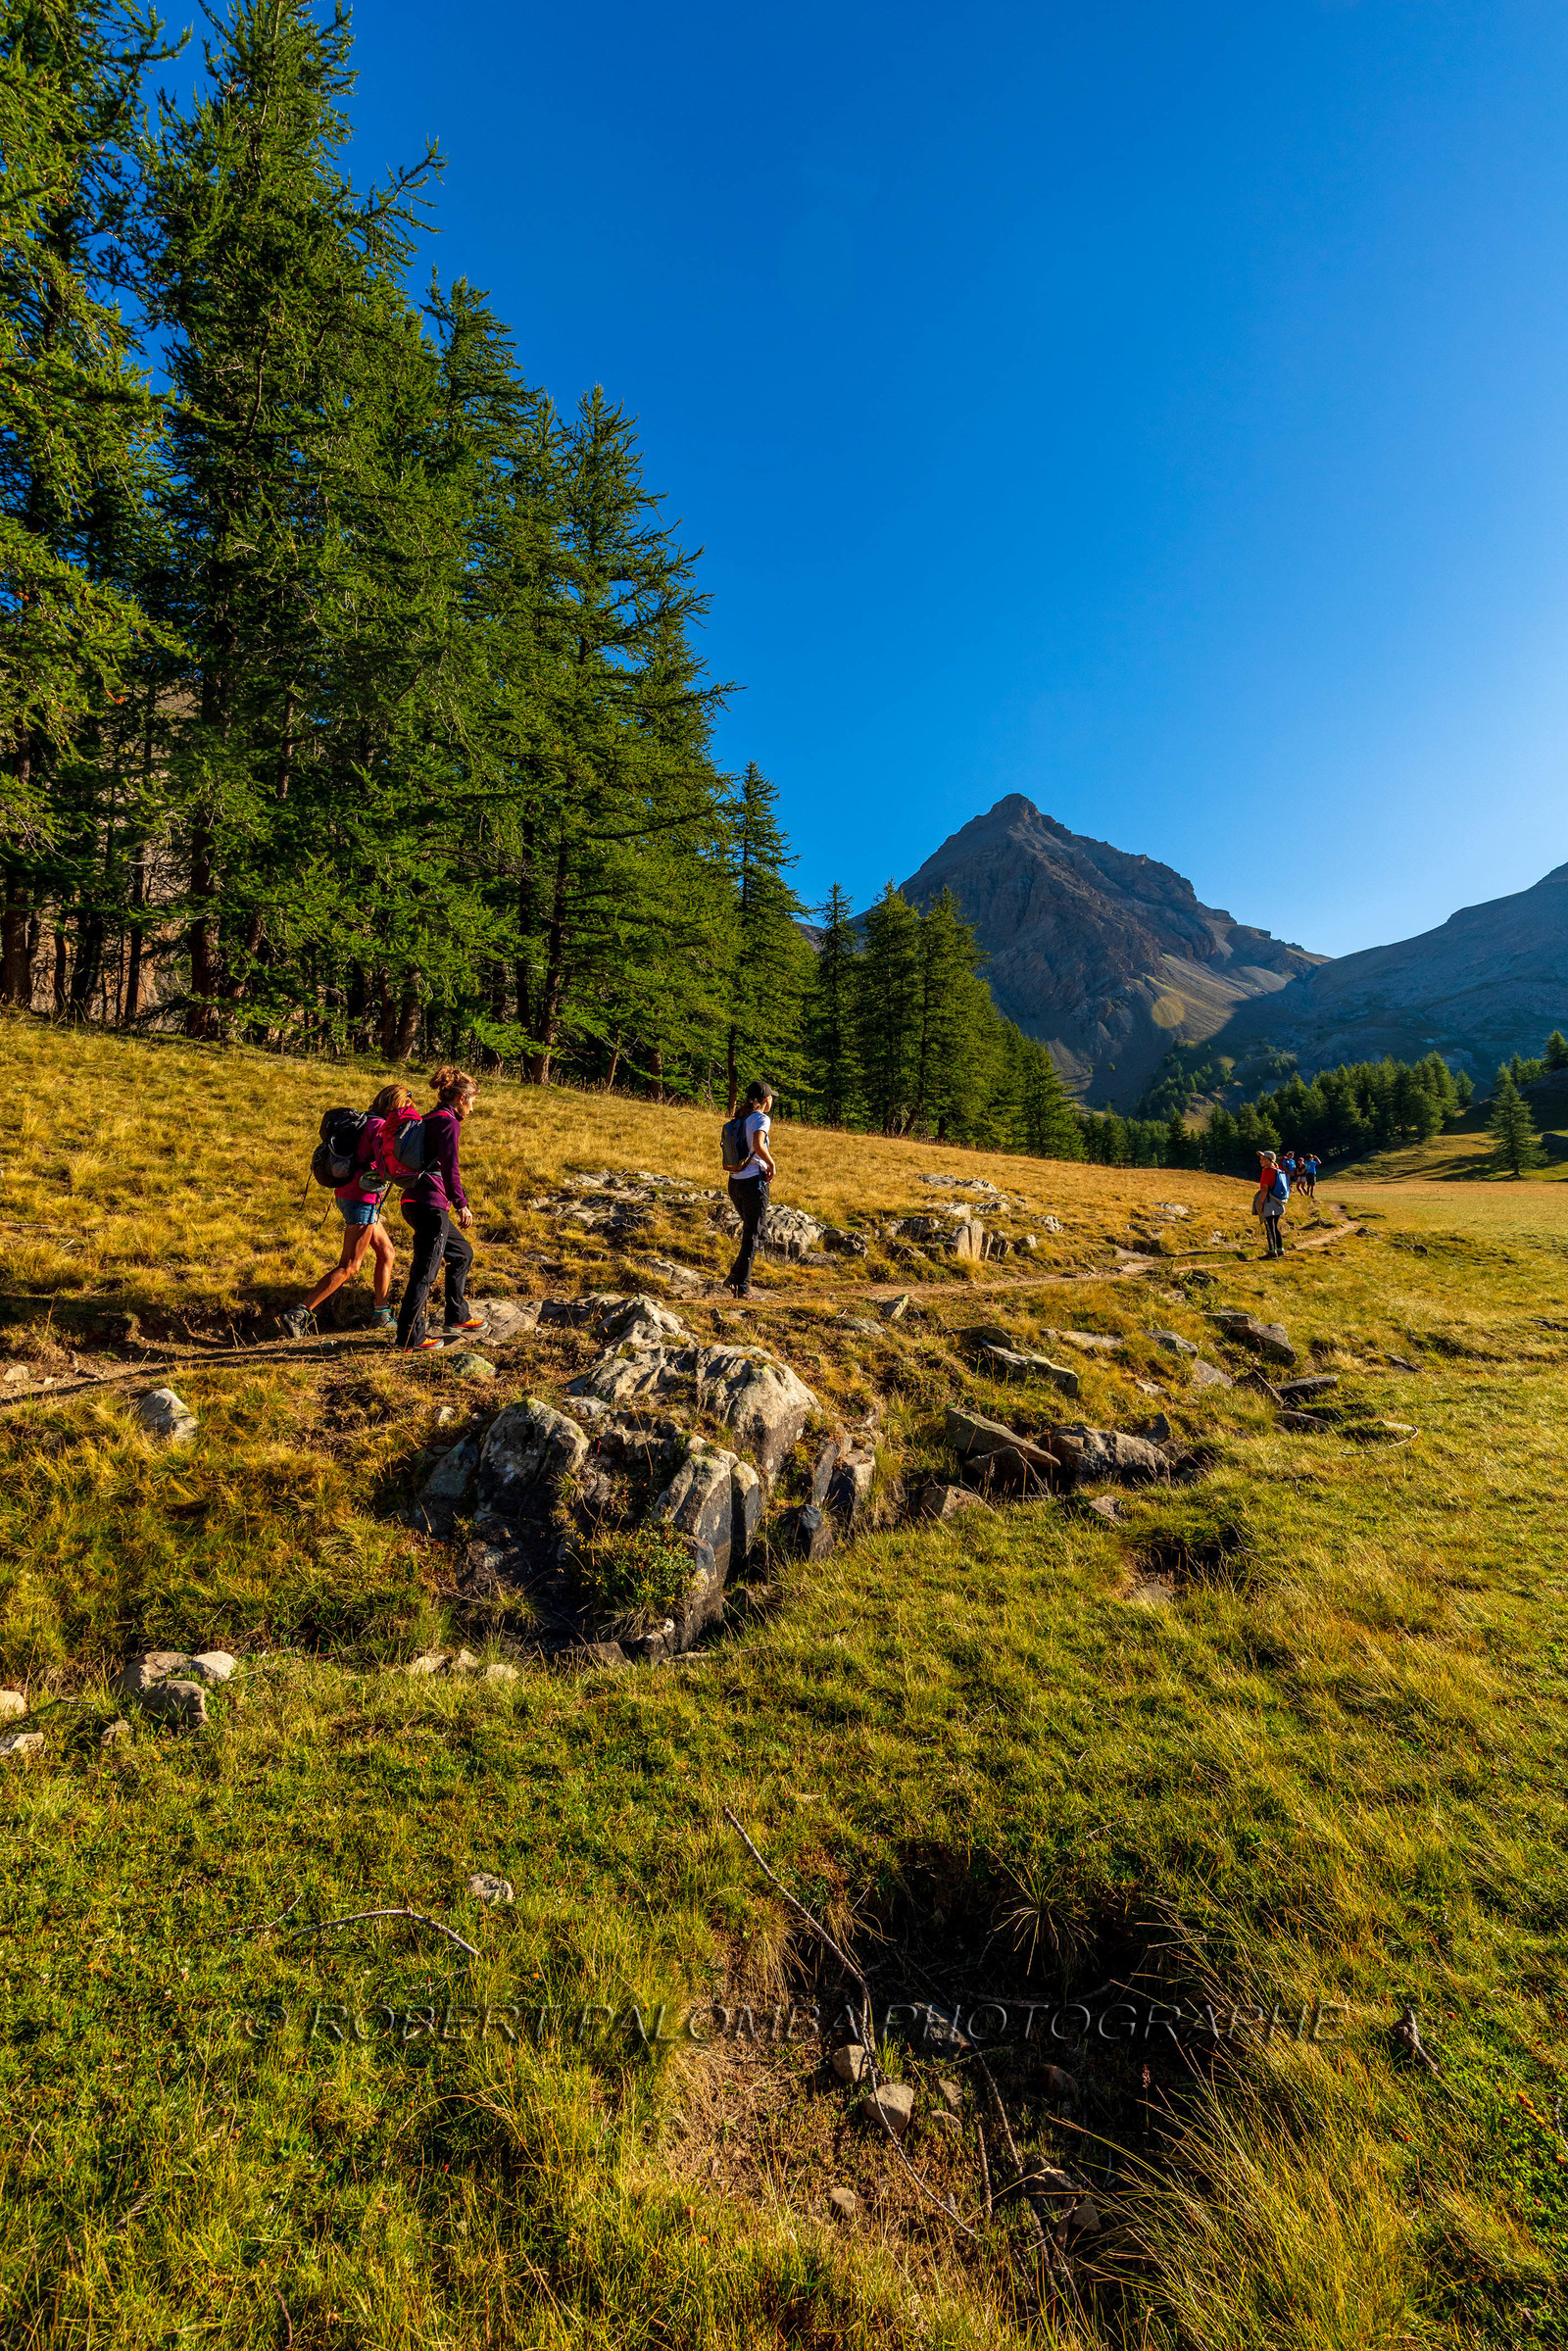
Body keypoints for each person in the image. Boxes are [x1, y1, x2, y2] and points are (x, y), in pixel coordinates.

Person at [277, 1083, 413, 1338]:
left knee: (387, 1252)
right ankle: (298, 1313)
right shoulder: (379, 1127)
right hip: (362, 1199)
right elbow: (387, 1163)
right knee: (350, 1265)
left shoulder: (367, 1121)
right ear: (398, 1106)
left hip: (351, 1194)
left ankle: (382, 1314)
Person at [395, 1064, 485, 1352]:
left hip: (415, 1201)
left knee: (462, 1253)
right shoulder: (448, 1122)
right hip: (429, 1204)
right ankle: (411, 1338)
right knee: (424, 1271)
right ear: (461, 1098)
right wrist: (462, 1204)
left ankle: (456, 1316)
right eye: (472, 1102)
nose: (472, 1109)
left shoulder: (431, 1117)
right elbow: (450, 1167)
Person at [723, 1079, 776, 1299]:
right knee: (753, 1236)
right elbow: (757, 1144)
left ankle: (736, 1275)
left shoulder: (741, 1117)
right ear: (766, 1100)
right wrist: (772, 1163)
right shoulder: (761, 1118)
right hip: (754, 1182)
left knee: (758, 1233)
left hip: (735, 1181)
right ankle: (741, 1287)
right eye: (771, 1097)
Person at [1255, 1149, 1290, 1259]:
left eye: (1264, 1159)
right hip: (1278, 1202)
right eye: (1261, 1158)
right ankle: (1280, 1250)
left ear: (1270, 1160)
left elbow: (1265, 1189)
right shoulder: (1276, 1170)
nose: (1261, 1161)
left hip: (1269, 1202)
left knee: (1270, 1228)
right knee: (1275, 1226)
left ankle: (1272, 1252)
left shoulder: (1267, 1171)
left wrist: (1260, 1204)